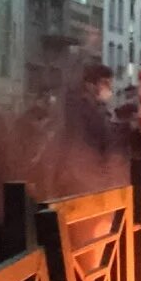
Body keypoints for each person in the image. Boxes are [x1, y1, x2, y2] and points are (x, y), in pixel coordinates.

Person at [58, 63, 122, 195]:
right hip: (81, 178)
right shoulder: (80, 109)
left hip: (94, 174)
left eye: (110, 83)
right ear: (90, 85)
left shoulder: (98, 109)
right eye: (104, 83)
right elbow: (80, 142)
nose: (109, 88)